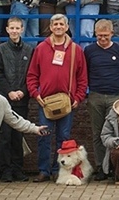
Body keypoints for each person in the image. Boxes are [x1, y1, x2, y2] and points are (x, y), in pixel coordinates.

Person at [25, 13, 89, 182]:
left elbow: (82, 77)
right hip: (45, 102)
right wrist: (35, 93)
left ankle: (58, 170)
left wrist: (79, 97)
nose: (59, 27)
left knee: (64, 138)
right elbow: (32, 75)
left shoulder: (76, 50)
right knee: (44, 136)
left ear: (67, 27)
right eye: (55, 24)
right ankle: (43, 170)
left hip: (67, 103)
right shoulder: (40, 48)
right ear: (51, 27)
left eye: (62, 24)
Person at [84, 18, 119, 180]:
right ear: (95, 34)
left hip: (115, 97)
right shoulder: (89, 51)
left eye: (106, 36)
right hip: (95, 96)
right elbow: (86, 72)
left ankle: (112, 167)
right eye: (99, 36)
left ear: (112, 33)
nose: (103, 39)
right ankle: (100, 167)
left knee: (114, 133)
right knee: (97, 133)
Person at [0, 17, 35, 182]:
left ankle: (18, 170)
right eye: (12, 28)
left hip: (22, 100)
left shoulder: (30, 50)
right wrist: (9, 91)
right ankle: (5, 171)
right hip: (4, 100)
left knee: (18, 136)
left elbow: (31, 75)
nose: (15, 31)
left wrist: (23, 92)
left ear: (22, 29)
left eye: (17, 28)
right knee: (5, 137)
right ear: (7, 29)